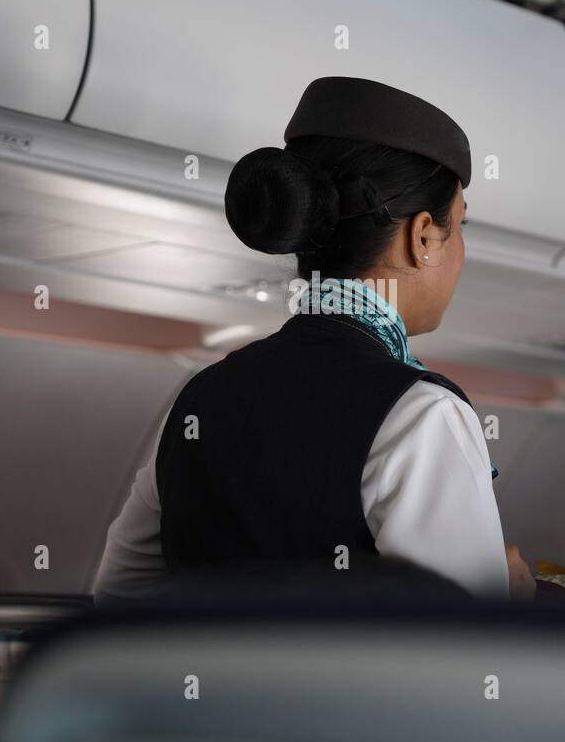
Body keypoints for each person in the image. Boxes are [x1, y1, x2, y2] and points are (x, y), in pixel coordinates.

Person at [93, 76, 535, 603]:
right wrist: (511, 603)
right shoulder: (422, 414)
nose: (462, 250)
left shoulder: (201, 398)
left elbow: (118, 598)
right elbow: (459, 663)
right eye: (459, 226)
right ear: (422, 238)